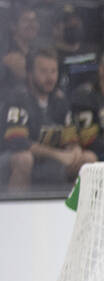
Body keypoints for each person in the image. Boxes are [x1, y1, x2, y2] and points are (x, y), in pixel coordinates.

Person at [0, 48, 97, 192]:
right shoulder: (18, 98)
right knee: (24, 159)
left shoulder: (59, 100)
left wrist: (74, 149)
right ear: (30, 73)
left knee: (89, 159)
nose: (50, 77)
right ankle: (17, 211)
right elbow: (18, 142)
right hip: (12, 163)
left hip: (48, 163)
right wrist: (58, 155)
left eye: (53, 71)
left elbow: (70, 137)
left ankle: (75, 212)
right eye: (43, 71)